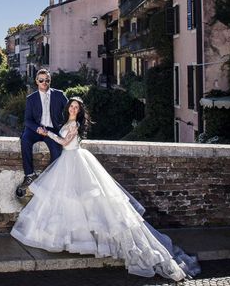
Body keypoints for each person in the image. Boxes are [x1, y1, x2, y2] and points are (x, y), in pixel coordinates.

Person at [11, 97, 201, 281]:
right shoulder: (65, 121)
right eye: (72, 106)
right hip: (67, 162)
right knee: (70, 202)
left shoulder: (75, 125)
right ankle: (71, 240)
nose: (73, 109)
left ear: (80, 112)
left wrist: (48, 134)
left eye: (77, 108)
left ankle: (91, 242)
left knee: (86, 202)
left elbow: (64, 143)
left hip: (76, 160)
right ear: (68, 107)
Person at [16, 69, 68, 198]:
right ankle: (29, 175)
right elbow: (27, 120)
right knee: (25, 140)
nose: (44, 82)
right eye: (41, 80)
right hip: (35, 130)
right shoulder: (31, 98)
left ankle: (50, 181)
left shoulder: (59, 95)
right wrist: (37, 129)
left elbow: (70, 112)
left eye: (47, 80)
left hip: (52, 130)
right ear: (37, 82)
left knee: (57, 152)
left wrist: (70, 127)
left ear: (50, 81)